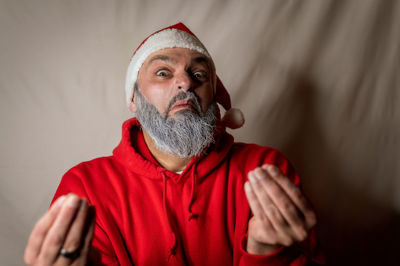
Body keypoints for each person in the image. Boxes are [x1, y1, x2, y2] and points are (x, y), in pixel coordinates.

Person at [24, 22, 324, 265]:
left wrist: (266, 253)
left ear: (213, 95)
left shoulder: (264, 170)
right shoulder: (86, 186)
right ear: (133, 98)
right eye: (163, 72)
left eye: (199, 74)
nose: (185, 83)